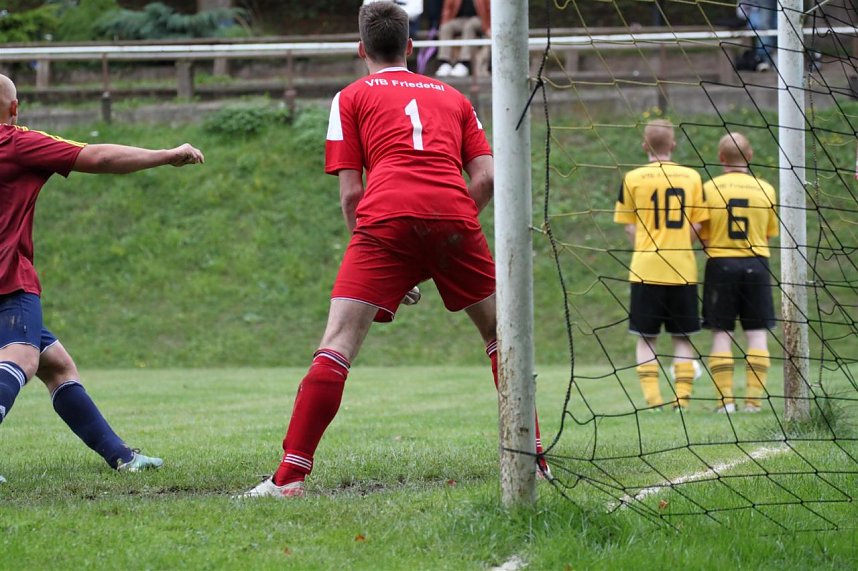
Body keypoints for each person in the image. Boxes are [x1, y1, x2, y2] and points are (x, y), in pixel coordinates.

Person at [239, 2, 548, 499]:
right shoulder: (454, 95)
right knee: (500, 336)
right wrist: (454, 224)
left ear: (361, 49)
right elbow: (487, 177)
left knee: (338, 341)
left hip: (383, 220)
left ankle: (289, 478)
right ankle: (536, 458)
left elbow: (350, 195)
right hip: (455, 217)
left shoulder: (349, 97)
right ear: (411, 47)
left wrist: (380, 251)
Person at [0, 73, 204, 483]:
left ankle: (121, 456)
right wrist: (166, 154)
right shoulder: (15, 142)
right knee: (23, 356)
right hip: (8, 278)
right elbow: (99, 157)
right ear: (15, 108)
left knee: (56, 365)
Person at [614, 119, 708, 411]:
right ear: (674, 145)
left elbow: (629, 227)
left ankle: (653, 402)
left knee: (646, 339)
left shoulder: (632, 179)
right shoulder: (692, 178)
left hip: (645, 268)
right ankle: (682, 400)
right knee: (682, 339)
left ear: (645, 146)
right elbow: (698, 223)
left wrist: (645, 244)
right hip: (682, 268)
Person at [700, 133, 778, 413]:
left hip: (720, 264)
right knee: (756, 333)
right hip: (756, 264)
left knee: (722, 333)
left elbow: (702, 233)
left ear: (721, 158)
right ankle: (754, 402)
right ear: (751, 155)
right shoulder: (766, 189)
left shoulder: (709, 188)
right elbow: (768, 234)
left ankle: (726, 403)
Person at [435, 0, 490, 78]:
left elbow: (489, 10)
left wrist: (488, 27)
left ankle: (464, 63)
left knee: (469, 26)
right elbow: (447, 10)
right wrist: (444, 22)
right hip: (461, 20)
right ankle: (444, 62)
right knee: (445, 28)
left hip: (480, 20)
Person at [737, 1, 777, 72]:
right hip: (758, 25)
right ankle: (763, 60)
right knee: (764, 27)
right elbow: (741, 13)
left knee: (767, 27)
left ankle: (765, 60)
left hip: (771, 25)